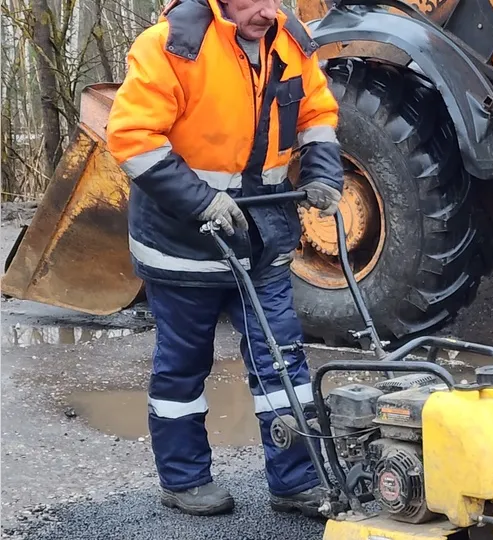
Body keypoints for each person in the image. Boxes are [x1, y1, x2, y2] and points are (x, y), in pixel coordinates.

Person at [105, 0, 342, 517]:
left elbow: (317, 115)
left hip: (262, 239)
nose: (268, 11)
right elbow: (132, 138)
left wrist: (324, 173)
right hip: (183, 244)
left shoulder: (290, 43)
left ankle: (297, 481)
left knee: (282, 361)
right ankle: (184, 480)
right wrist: (201, 200)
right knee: (183, 368)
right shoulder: (172, 46)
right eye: (253, 0)